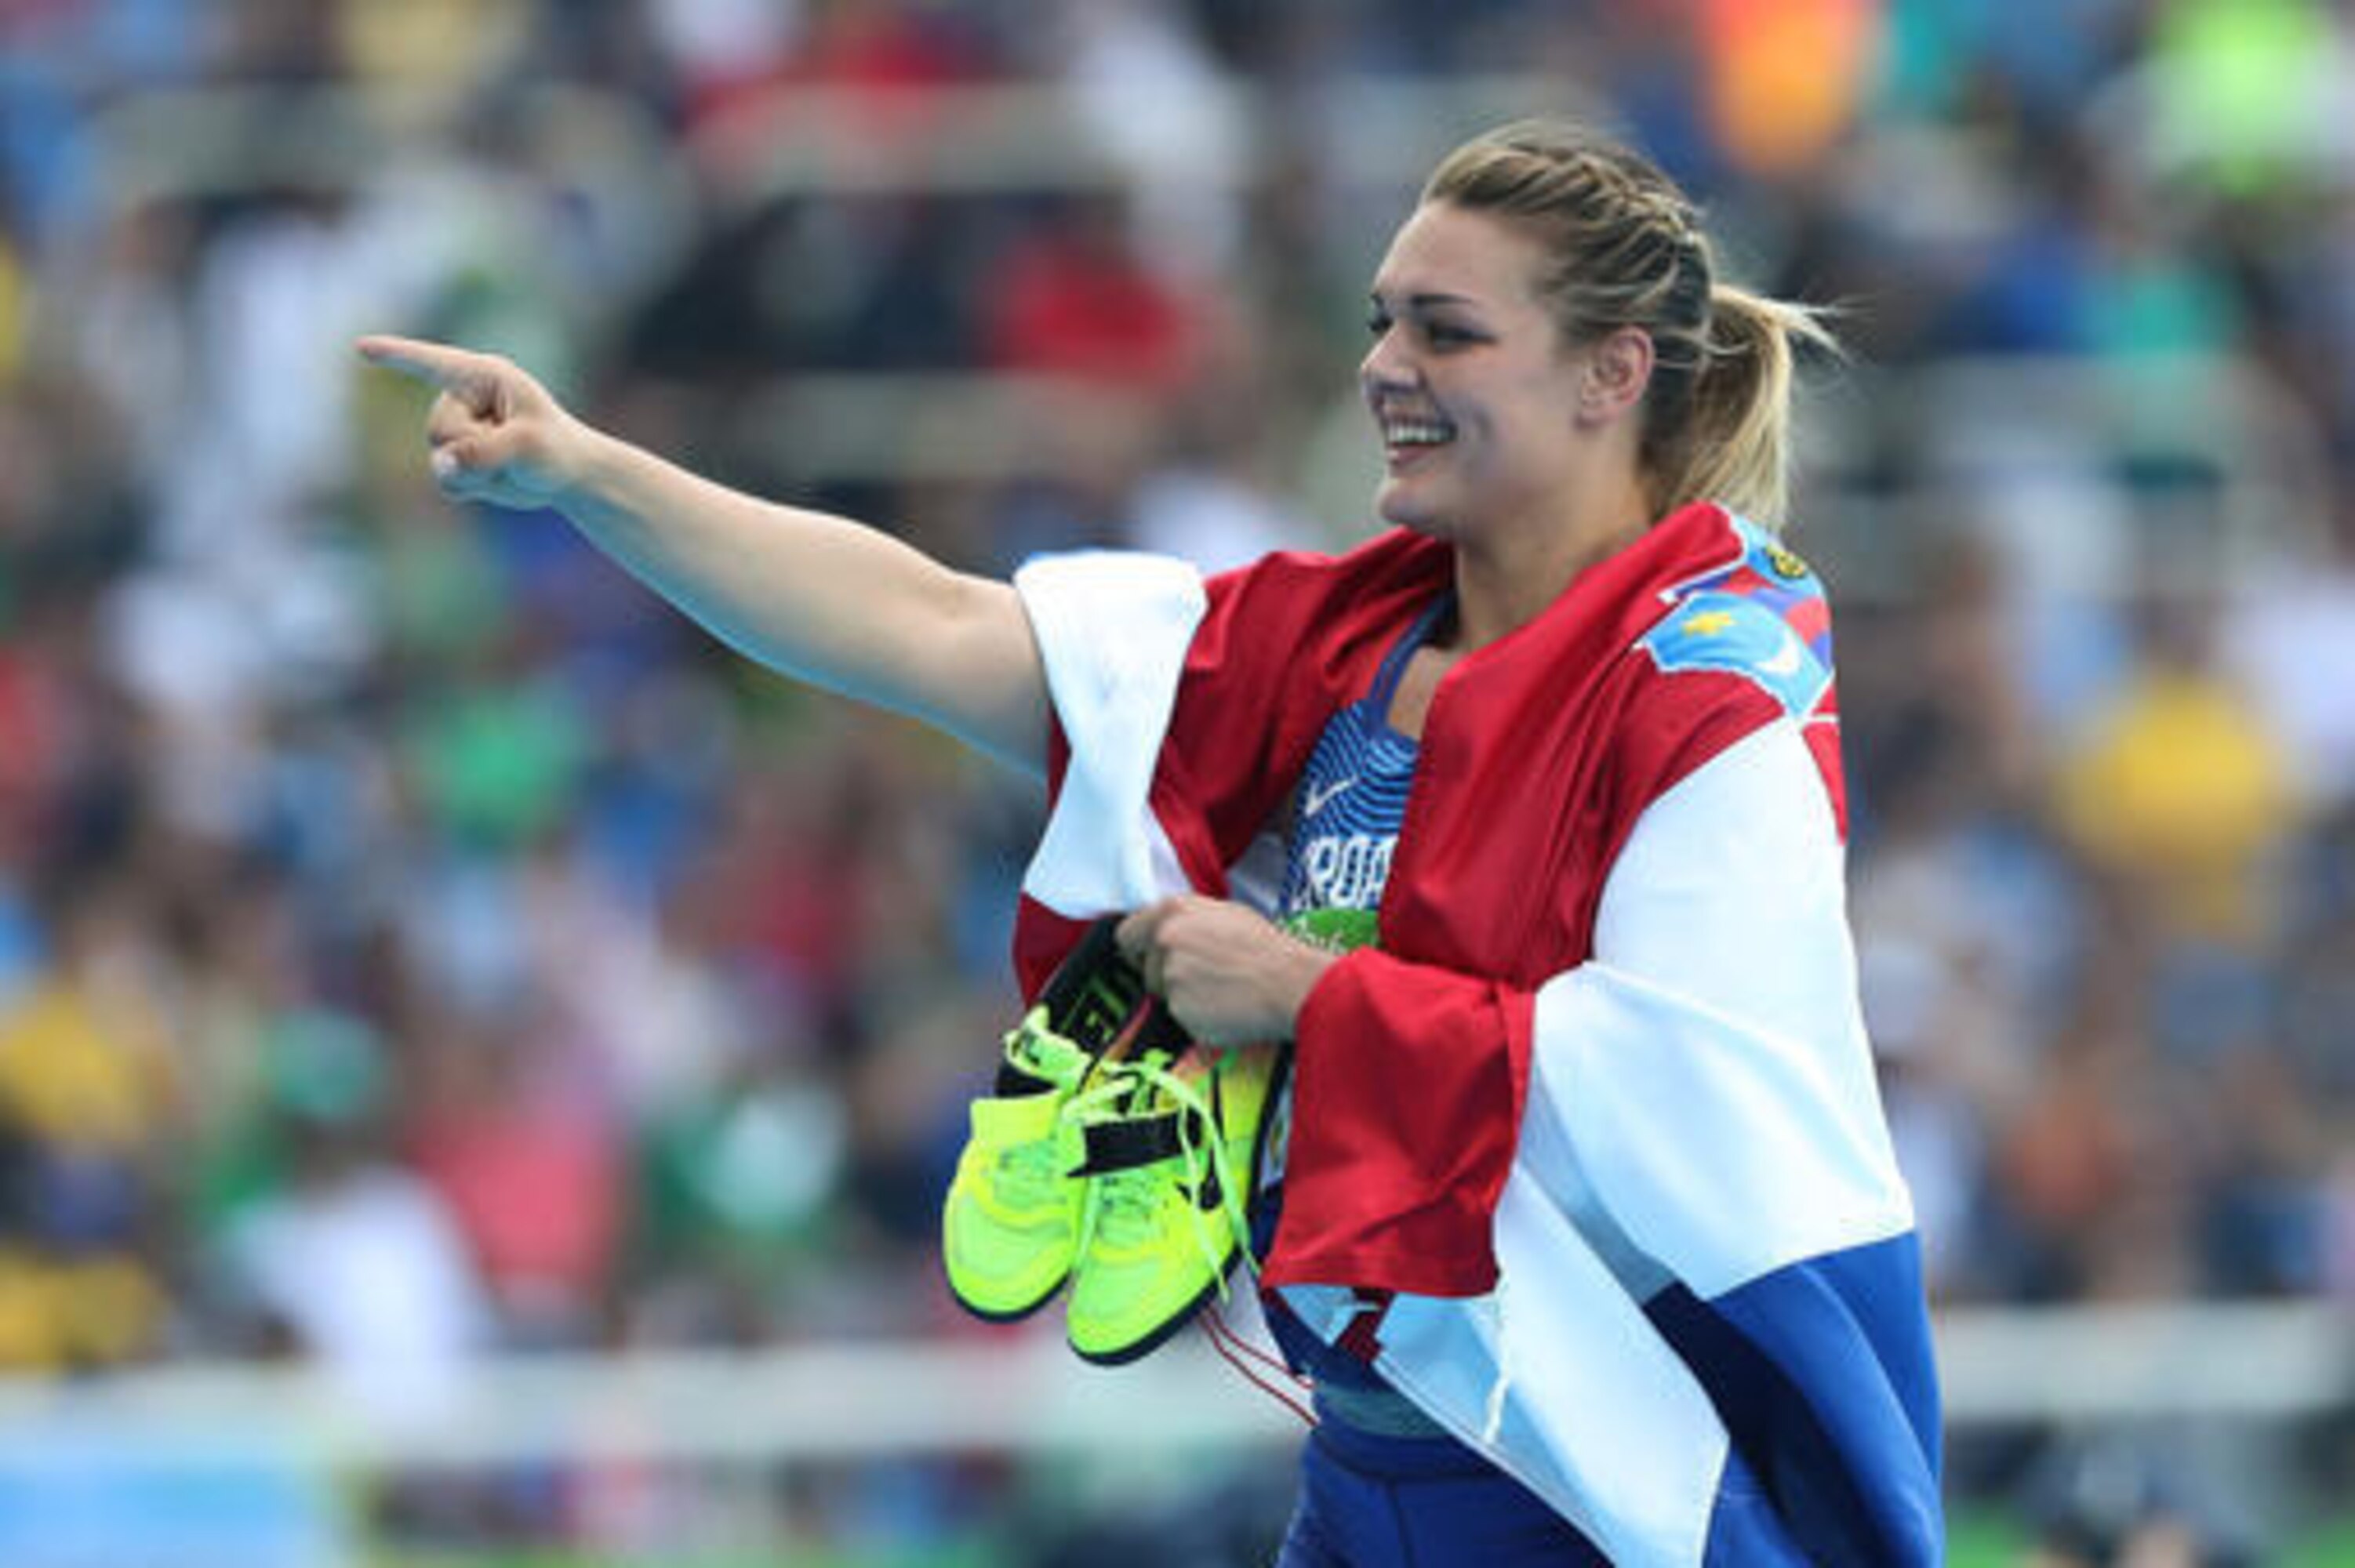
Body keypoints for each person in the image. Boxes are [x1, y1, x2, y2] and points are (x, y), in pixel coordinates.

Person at [362, 118, 1943, 1566]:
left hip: (1605, 1493)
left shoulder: (1714, 691)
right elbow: (923, 626)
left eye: (1444, 330)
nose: (1384, 362)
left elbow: (1683, 1082)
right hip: (1368, 1467)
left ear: (1612, 373)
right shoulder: (1321, 646)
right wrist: (585, 472)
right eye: (1379, 317)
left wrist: (1300, 991)